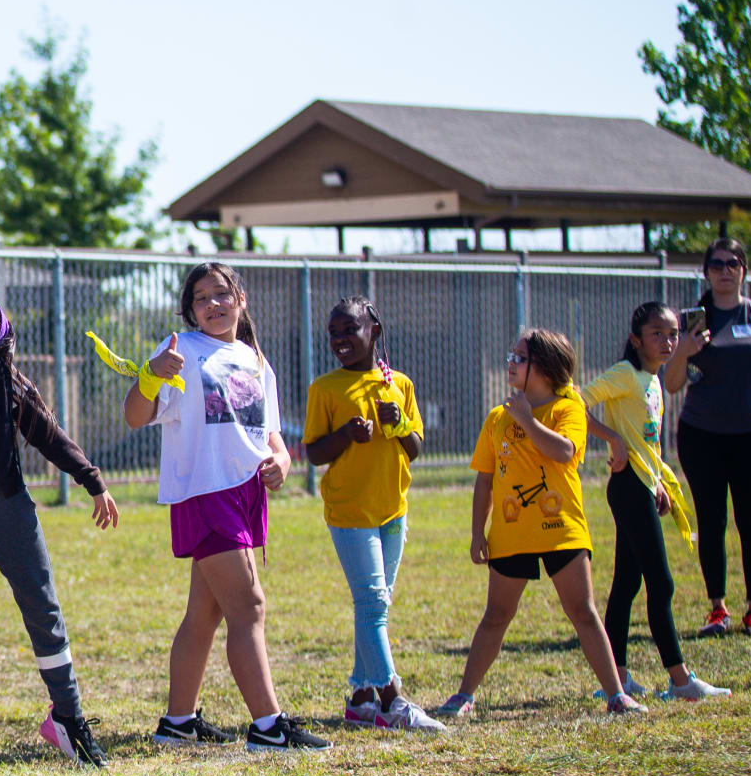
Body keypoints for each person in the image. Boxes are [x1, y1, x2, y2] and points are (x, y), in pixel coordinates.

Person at [119, 262, 324, 753]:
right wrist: (150, 377)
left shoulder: (256, 360)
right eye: (201, 298)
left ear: (241, 299)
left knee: (204, 614)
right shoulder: (182, 350)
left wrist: (282, 460)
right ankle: (269, 727)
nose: (213, 304)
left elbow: (272, 434)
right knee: (249, 606)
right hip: (206, 493)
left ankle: (178, 723)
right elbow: (134, 416)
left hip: (245, 494)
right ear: (190, 310)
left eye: (221, 294)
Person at [435, 329, 643, 718]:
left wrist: (527, 420)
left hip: (561, 530)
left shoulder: (568, 409)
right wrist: (477, 532)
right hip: (511, 533)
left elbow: (564, 452)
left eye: (520, 358)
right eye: (511, 355)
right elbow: (484, 480)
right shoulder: (497, 417)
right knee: (496, 616)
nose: (511, 363)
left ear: (545, 368)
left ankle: (616, 695)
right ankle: (463, 696)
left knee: (583, 611)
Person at [301, 297, 442, 731]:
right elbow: (313, 453)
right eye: (334, 333)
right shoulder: (325, 389)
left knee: (374, 605)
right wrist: (345, 434)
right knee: (372, 603)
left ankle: (361, 697)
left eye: (350, 330)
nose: (340, 340)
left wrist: (398, 422)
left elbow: (414, 449)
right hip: (350, 511)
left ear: (374, 331)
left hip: (392, 509)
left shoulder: (399, 383)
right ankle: (392, 700)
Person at [583, 302, 727, 701]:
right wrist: (611, 439)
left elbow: (648, 441)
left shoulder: (653, 380)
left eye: (674, 334)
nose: (668, 342)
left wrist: (659, 480)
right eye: (657, 334)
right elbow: (576, 403)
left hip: (643, 485)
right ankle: (680, 680)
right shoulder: (625, 375)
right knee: (660, 583)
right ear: (636, 339)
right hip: (626, 486)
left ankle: (618, 678)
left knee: (627, 584)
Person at [664, 237, 751, 640]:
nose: (724, 270)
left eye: (732, 263)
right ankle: (718, 608)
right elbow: (672, 385)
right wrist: (684, 348)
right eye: (716, 264)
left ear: (744, 268)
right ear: (706, 272)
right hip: (702, 436)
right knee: (712, 522)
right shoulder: (691, 320)